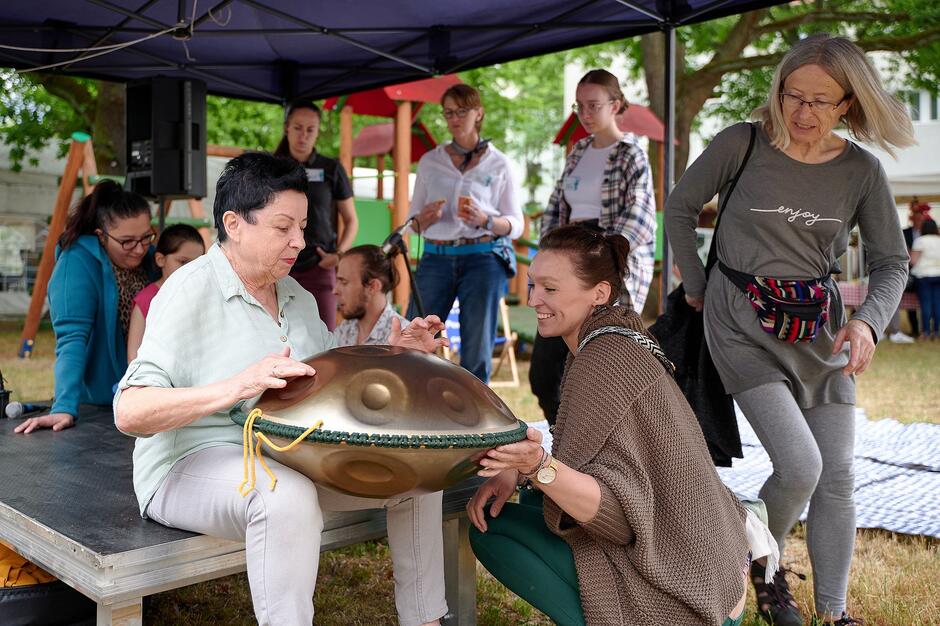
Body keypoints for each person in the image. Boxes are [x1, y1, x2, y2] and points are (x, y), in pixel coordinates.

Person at [114, 153, 449, 626]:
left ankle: (425, 620)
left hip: (286, 455)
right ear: (234, 224)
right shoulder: (189, 290)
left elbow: (329, 382)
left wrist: (394, 354)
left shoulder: (297, 294)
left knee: (415, 476)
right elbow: (130, 411)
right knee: (282, 494)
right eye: (283, 227)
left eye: (304, 226)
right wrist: (237, 386)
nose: (300, 241)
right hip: (186, 465)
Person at [665, 34, 913, 626]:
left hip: (818, 330)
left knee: (839, 476)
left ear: (848, 104)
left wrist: (869, 324)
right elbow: (680, 207)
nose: (802, 113)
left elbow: (891, 262)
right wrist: (697, 283)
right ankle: (760, 562)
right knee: (802, 467)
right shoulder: (741, 143)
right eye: (792, 95)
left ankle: (834, 611)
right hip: (740, 322)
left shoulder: (861, 171)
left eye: (820, 102)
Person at [467, 225, 750, 626]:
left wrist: (534, 466)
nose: (532, 300)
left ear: (599, 293)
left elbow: (617, 520)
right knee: (535, 500)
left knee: (493, 531)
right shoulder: (622, 333)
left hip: (689, 594)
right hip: (718, 570)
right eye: (532, 285)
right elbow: (592, 455)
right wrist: (519, 470)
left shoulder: (600, 360)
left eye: (550, 289)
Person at [529, 69, 656, 425]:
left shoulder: (632, 154)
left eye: (593, 105)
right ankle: (566, 442)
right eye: (579, 106)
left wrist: (602, 259)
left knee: (602, 368)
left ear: (615, 105)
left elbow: (642, 218)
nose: (584, 114)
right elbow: (555, 207)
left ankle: (599, 448)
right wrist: (549, 255)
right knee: (544, 374)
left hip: (606, 264)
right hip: (568, 259)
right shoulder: (578, 152)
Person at [15, 180, 157, 435]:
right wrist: (64, 407)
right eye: (127, 241)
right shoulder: (75, 265)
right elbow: (72, 340)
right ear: (101, 236)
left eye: (146, 237)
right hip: (102, 403)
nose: (139, 249)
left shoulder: (150, 257)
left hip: (148, 397)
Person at [407, 83, 524, 383]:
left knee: (477, 348)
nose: (455, 118)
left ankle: (475, 424)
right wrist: (424, 218)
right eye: (449, 112)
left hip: (482, 257)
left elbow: (517, 223)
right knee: (415, 336)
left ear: (478, 113)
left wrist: (486, 220)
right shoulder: (431, 161)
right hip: (436, 256)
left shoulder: (500, 163)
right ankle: (411, 407)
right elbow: (412, 224)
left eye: (462, 111)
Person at [274, 99, 359, 330]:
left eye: (310, 130)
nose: (303, 136)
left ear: (317, 132)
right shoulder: (272, 167)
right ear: (287, 128)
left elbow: (351, 220)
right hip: (278, 265)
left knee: (323, 338)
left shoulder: (331, 168)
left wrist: (338, 255)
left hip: (319, 266)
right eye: (297, 128)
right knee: (277, 335)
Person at [126, 224, 206, 362]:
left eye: (198, 263)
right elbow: (133, 356)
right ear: (160, 260)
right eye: (183, 262)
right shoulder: (146, 300)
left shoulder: (203, 296)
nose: (191, 269)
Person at [333, 244, 408, 347]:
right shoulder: (344, 329)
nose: (335, 291)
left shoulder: (404, 336)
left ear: (373, 286)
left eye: (344, 282)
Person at [911, 218, 940, 340]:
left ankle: (926, 332)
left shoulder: (920, 241)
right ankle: (937, 332)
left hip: (923, 276)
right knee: (938, 304)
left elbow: (913, 261)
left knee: (926, 304)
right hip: (938, 274)